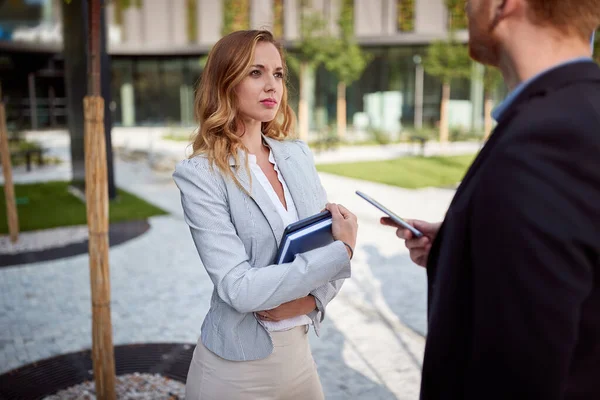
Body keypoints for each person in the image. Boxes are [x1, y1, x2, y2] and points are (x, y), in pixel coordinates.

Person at [381, 1, 600, 398]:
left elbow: (520, 371)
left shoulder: (544, 141)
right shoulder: (577, 115)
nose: (466, 7)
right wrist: (459, 246)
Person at [172, 30, 358, 400]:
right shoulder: (201, 174)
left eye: (277, 74)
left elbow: (324, 245)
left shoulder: (298, 156)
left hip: (300, 361)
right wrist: (345, 251)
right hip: (233, 372)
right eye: (255, 72)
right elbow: (238, 288)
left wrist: (310, 301)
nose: (271, 85)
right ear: (226, 82)